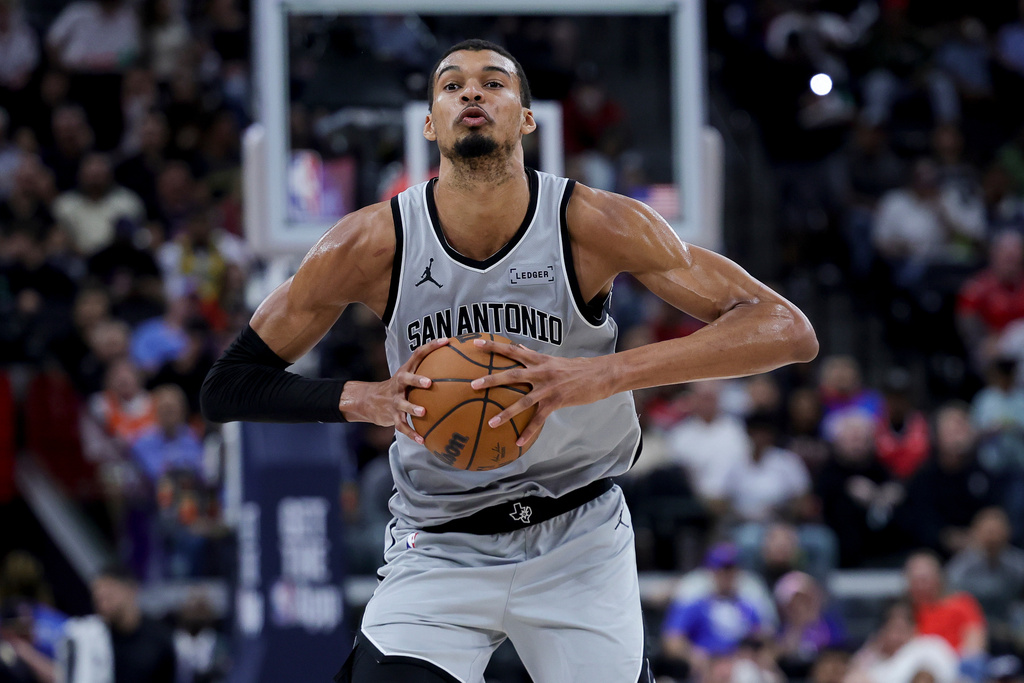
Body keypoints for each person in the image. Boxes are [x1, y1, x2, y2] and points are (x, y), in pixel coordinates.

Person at [200, 39, 818, 683]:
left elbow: (786, 329)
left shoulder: (595, 224)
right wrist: (364, 398)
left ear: (527, 119)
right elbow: (228, 385)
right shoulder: (370, 243)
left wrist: (604, 374)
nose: (472, 91)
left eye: (493, 82)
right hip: (440, 542)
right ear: (429, 123)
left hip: (579, 537)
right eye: (452, 85)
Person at [58, 563, 176, 683]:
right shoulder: (90, 638)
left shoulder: (161, 637)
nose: (103, 605)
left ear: (131, 590)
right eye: (98, 599)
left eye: (109, 596)